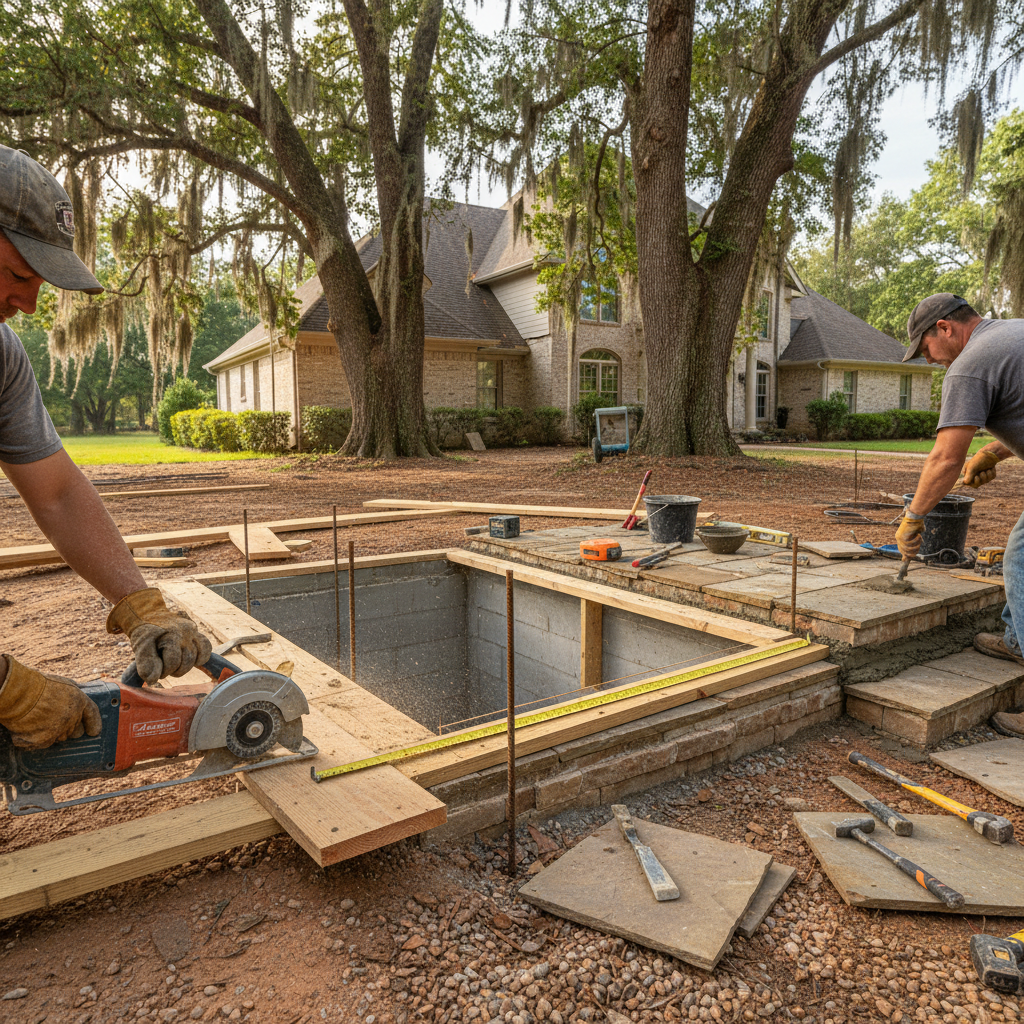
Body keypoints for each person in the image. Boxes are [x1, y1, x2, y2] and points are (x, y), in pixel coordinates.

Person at [0, 145, 212, 750]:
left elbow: (59, 492)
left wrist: (137, 601)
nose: (28, 304)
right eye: (20, 275)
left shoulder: (2, 357)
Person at [895, 292, 1024, 736]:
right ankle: (1016, 638)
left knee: (1022, 561)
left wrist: (914, 516)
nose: (930, 360)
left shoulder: (970, 364)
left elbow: (946, 458)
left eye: (926, 348)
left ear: (945, 328)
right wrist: (994, 451)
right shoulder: (1012, 334)